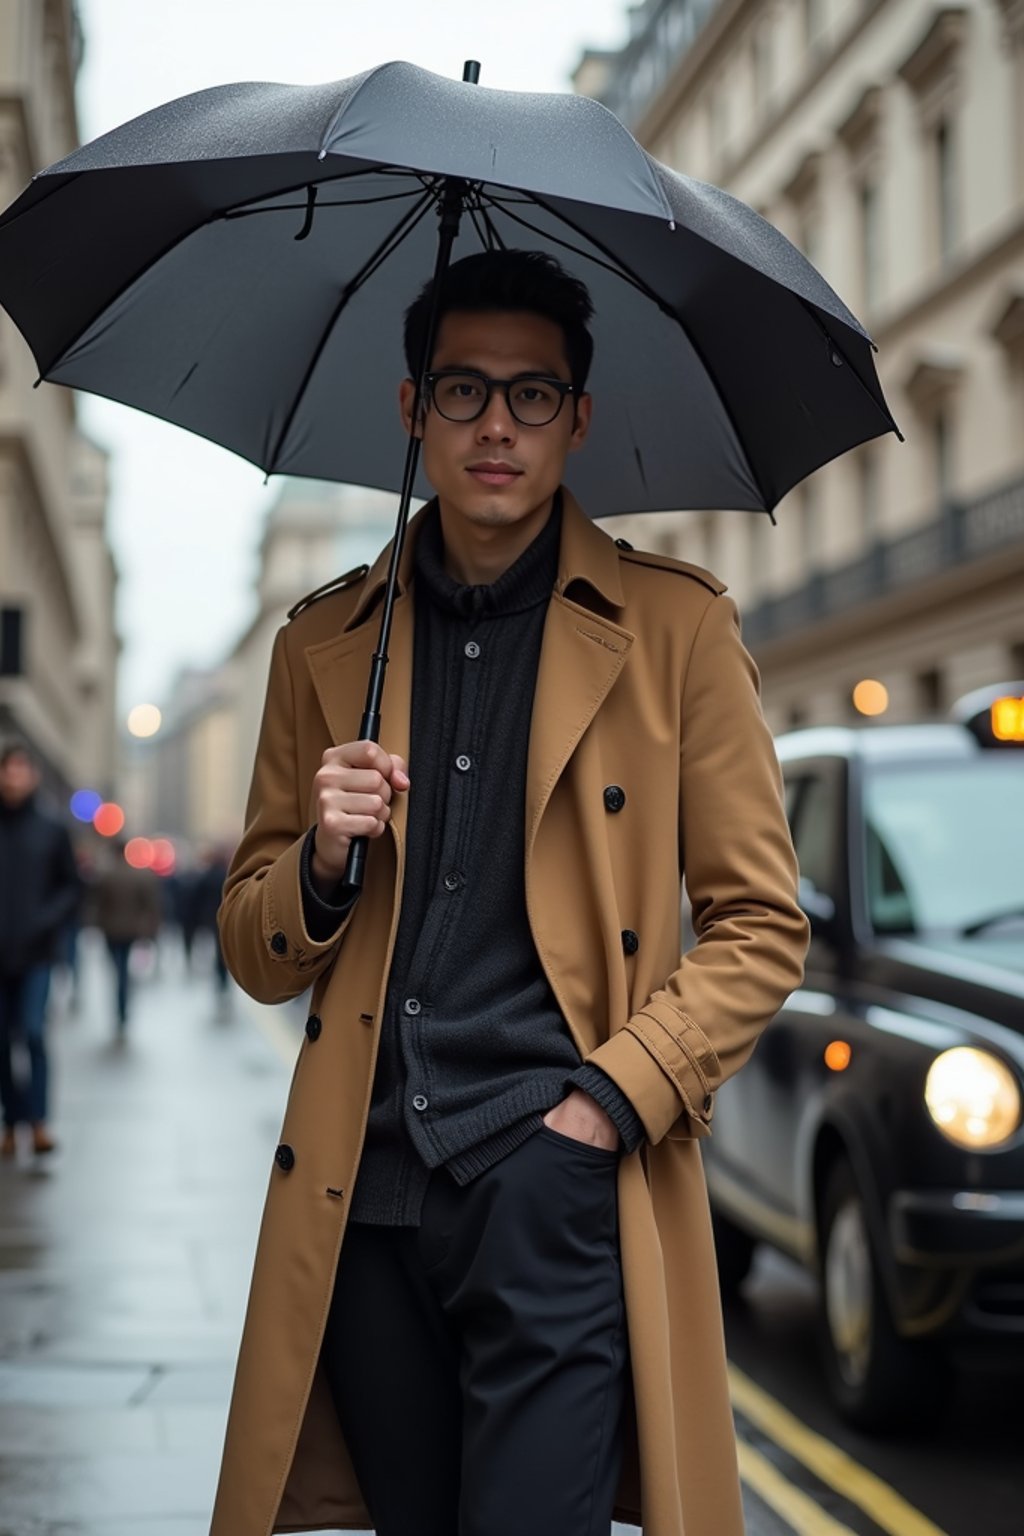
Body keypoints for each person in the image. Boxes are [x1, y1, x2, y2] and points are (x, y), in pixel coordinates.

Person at [210, 250, 809, 1536]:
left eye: (533, 395)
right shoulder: (322, 645)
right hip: (364, 1199)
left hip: (556, 1186)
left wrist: (606, 1106)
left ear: (578, 419)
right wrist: (320, 861)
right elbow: (254, 949)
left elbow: (760, 926)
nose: (496, 425)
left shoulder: (675, 630)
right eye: (463, 388)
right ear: (411, 408)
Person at [0, 742, 80, 1157]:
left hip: (36, 954)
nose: (13, 777)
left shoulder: (51, 828)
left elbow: (71, 887)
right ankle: (11, 1124)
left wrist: (44, 921)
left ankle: (39, 1122)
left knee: (32, 1033)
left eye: (20, 770)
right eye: (6, 770)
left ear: (32, 776)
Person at [93, 840, 162, 1036]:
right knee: (123, 970)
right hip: (132, 930)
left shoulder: (106, 875)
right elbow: (150, 904)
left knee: (118, 969)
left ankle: (120, 1004)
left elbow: (98, 904)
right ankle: (123, 1005)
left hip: (111, 930)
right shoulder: (140, 875)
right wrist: (150, 927)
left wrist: (97, 923)